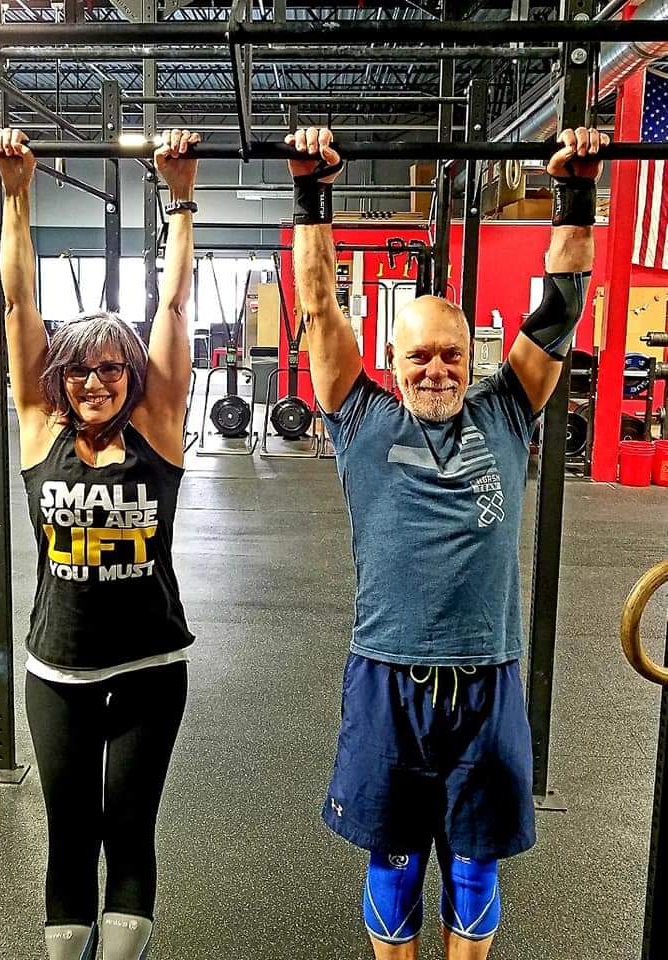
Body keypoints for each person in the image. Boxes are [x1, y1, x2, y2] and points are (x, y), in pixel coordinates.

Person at [285, 124, 607, 960]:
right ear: (391, 361)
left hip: (487, 679)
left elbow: (560, 309)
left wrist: (575, 193)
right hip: (387, 676)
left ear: (473, 357)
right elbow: (319, 307)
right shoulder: (359, 415)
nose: (436, 370)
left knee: (474, 871)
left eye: (451, 355)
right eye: (419, 356)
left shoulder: (506, 410)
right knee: (392, 872)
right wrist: (312, 193)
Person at [0, 125, 201, 960]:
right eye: (79, 368)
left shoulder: (159, 426)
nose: (95, 380)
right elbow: (18, 306)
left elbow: (174, 307)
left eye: (112, 367)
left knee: (129, 824)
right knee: (70, 827)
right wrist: (16, 193)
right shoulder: (40, 427)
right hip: (59, 668)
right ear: (59, 378)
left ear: (132, 375)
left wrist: (180, 197)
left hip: (150, 665)